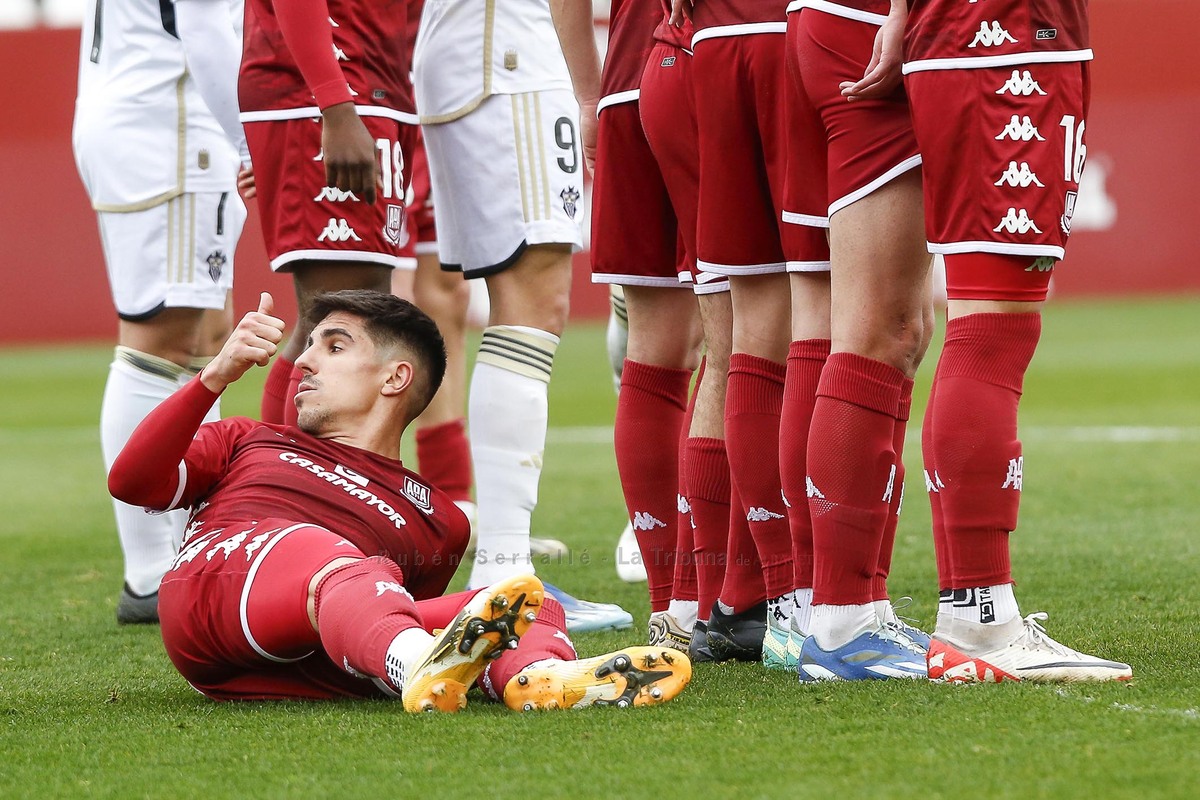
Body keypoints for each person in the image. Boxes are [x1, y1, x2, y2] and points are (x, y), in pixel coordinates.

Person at [107, 290, 693, 710]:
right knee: (330, 556)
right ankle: (416, 665)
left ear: (394, 379)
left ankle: (541, 679)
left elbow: (394, 606)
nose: (303, 362)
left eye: (333, 348)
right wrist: (213, 377)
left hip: (309, 660)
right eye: (307, 346)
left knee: (524, 605)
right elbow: (130, 483)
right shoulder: (249, 438)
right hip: (214, 598)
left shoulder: (438, 519)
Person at [894, 0, 1132, 682]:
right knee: (993, 330)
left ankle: (956, 611)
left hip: (977, 41)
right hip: (1005, 43)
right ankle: (979, 619)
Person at [412, 0, 633, 632]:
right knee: (533, 301)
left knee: (527, 300)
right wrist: (588, 93)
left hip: (477, 55)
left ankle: (502, 566)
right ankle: (504, 575)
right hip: (505, 57)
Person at [73, 0, 249, 623]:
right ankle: (152, 571)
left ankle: (185, 549)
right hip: (168, 120)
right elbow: (202, 27)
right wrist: (249, 141)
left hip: (152, 112)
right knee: (165, 338)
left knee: (204, 333)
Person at [780, 0, 934, 681]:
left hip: (829, 27)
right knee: (881, 329)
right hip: (863, 28)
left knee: (874, 326)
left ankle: (841, 607)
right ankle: (841, 621)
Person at [552, 0, 708, 649]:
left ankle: (673, 604)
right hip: (727, 56)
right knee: (748, 337)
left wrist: (589, 93)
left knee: (657, 345)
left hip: (626, 77)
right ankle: (766, 591)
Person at [240, 0, 418, 429]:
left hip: (376, 91)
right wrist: (335, 106)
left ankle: (287, 478)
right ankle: (298, 483)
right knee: (342, 325)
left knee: (337, 320)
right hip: (334, 97)